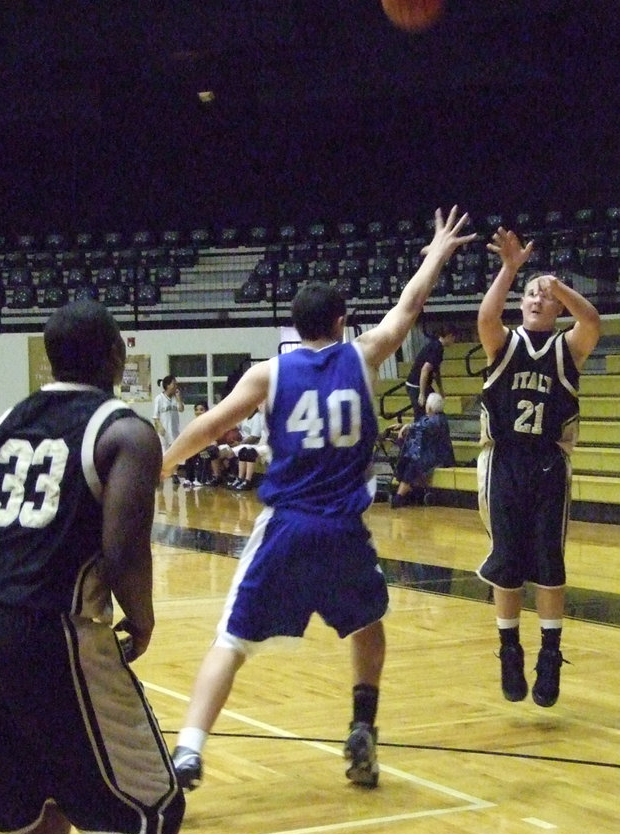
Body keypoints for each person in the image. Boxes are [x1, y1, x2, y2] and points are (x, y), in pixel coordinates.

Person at [159, 206, 477, 791]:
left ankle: (188, 750)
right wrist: (436, 251)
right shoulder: (363, 356)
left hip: (287, 526)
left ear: (293, 325)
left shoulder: (269, 374)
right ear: (341, 321)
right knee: (369, 626)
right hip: (344, 530)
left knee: (230, 644)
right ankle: (362, 726)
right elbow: (408, 307)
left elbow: (207, 430)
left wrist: (160, 465)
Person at [0, 300, 183, 834]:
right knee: (152, 806)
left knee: (46, 784)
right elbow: (123, 552)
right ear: (117, 354)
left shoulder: (9, 420)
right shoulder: (125, 430)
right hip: (47, 631)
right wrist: (142, 621)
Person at [475, 227, 601, 708]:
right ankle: (509, 649)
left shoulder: (568, 349)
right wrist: (511, 270)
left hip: (548, 463)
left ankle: (550, 655)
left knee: (550, 563)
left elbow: (592, 320)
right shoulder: (502, 344)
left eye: (542, 297)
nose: (534, 299)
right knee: (506, 562)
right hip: (504, 459)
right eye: (530, 295)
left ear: (555, 309)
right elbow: (487, 315)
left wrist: (557, 284)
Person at [389, 391, 455, 508]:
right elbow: (418, 424)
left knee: (413, 464)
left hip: (439, 456)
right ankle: (406, 491)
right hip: (428, 453)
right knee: (405, 460)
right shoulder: (428, 418)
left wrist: (409, 426)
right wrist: (402, 425)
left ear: (429, 407)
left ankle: (399, 496)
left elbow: (424, 426)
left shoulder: (439, 419)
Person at [404, 322, 461, 419]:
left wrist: (441, 389)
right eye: (454, 338)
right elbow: (425, 370)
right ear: (450, 336)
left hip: (424, 384)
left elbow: (436, 371)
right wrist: (421, 394)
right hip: (416, 385)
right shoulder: (436, 348)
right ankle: (419, 432)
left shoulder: (437, 346)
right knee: (422, 414)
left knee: (435, 408)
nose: (454, 341)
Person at [152, 375, 185, 451]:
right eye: (174, 384)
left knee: (175, 454)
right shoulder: (159, 399)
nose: (176, 386)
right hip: (164, 433)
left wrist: (179, 398)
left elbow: (181, 409)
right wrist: (160, 427)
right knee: (165, 454)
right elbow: (155, 417)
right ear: (168, 385)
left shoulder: (175, 398)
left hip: (174, 431)